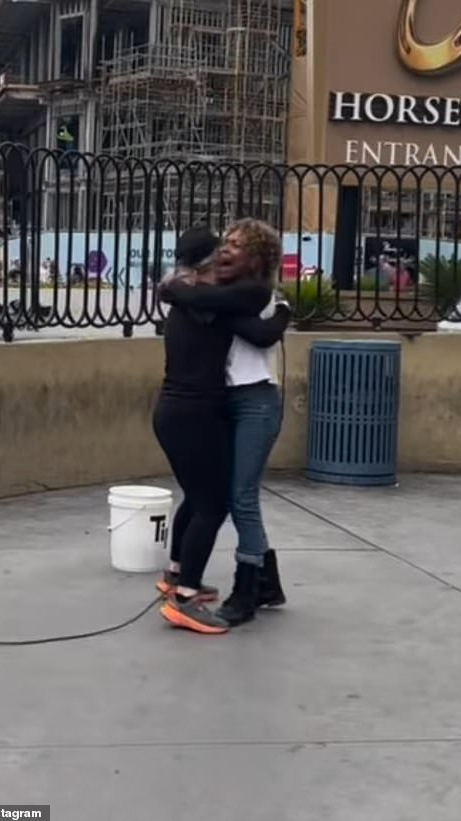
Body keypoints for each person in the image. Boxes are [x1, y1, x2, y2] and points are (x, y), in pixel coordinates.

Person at [153, 226, 289, 635]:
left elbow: (262, 334)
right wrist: (173, 287)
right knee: (213, 502)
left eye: (236, 247)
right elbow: (205, 302)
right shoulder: (212, 297)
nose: (227, 252)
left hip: (227, 405)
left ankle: (231, 586)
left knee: (222, 498)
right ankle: (186, 593)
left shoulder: (237, 296)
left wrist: (282, 310)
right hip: (199, 409)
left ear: (256, 260)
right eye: (224, 245)